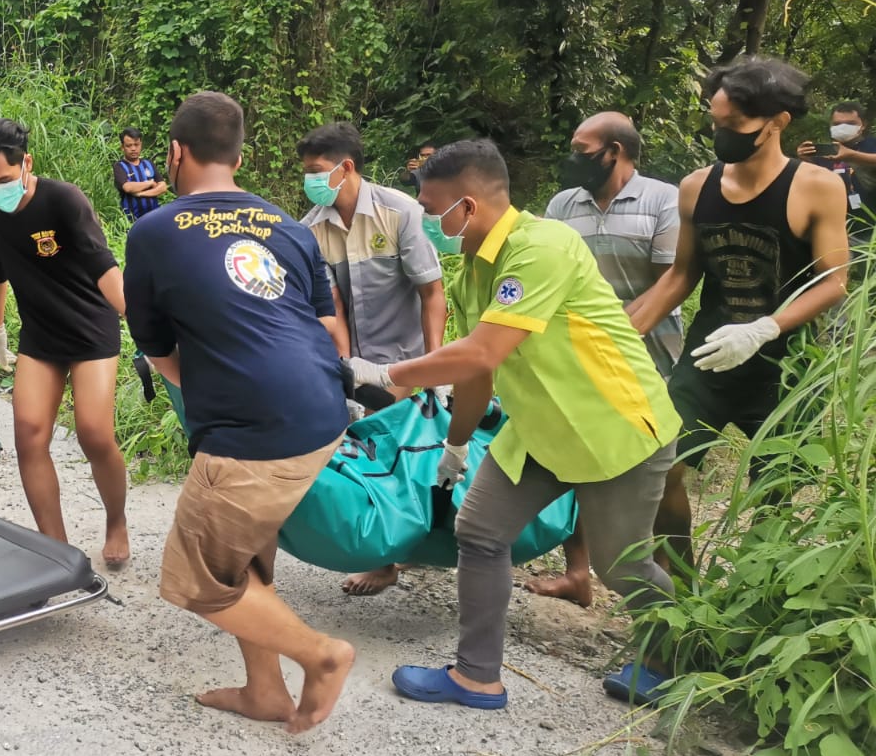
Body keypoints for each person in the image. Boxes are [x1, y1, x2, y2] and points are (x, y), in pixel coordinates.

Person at [349, 139, 682, 710]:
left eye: (430, 210)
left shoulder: (542, 247)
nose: (426, 222)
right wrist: (455, 447)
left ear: (467, 206)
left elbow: (482, 351)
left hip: (615, 427)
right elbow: (477, 372)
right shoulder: (472, 272)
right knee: (479, 531)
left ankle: (672, 662)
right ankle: (477, 676)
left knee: (621, 565)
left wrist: (384, 372)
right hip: (540, 432)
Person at [126, 91, 355, 733]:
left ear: (175, 153)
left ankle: (321, 655)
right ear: (240, 156)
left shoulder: (153, 232)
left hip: (253, 426)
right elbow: (328, 330)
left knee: (195, 581)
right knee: (242, 556)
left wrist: (217, 389)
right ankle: (265, 691)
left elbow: (157, 350)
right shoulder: (289, 226)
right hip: (321, 407)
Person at [629, 57, 849, 578]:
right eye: (716, 122)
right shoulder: (695, 187)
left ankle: (745, 600)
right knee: (661, 467)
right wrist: (622, 332)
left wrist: (765, 328)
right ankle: (682, 590)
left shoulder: (816, 187)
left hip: (787, 366)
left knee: (774, 491)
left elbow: (834, 281)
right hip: (708, 356)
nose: (721, 133)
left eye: (735, 124)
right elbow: (682, 275)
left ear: (777, 122)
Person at [528, 112, 682, 607]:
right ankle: (579, 573)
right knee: (578, 456)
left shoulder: (663, 200)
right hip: (579, 358)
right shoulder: (563, 205)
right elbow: (549, 271)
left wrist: (618, 333)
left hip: (649, 357)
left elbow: (671, 280)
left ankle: (678, 582)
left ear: (614, 151)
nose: (573, 158)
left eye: (582, 149)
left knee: (664, 473)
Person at [0, 118, 132, 567]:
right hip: (40, 334)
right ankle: (57, 551)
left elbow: (103, 266)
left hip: (91, 328)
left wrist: (137, 319)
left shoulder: (63, 200)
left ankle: (116, 521)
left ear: (26, 163)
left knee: (94, 433)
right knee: (29, 435)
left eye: (3, 180)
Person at [297, 121, 447, 595]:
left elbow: (432, 293)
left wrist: (435, 368)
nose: (310, 180)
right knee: (367, 456)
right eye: (306, 172)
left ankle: (421, 546)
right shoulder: (311, 228)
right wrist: (345, 372)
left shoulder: (399, 212)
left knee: (410, 454)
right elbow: (332, 305)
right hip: (357, 359)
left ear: (346, 168)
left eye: (316, 170)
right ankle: (384, 558)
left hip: (405, 358)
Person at [797, 100, 875, 245]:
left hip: (869, 230)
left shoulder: (871, 146)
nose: (843, 127)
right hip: (835, 230)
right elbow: (814, 185)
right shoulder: (824, 152)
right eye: (837, 124)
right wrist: (805, 161)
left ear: (863, 125)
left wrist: (852, 156)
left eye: (850, 123)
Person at [113, 127, 167, 222]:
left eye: (136, 145)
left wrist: (140, 194)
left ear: (141, 145)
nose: (133, 149)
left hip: (154, 218)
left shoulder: (148, 164)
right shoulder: (119, 166)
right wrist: (150, 183)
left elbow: (163, 187)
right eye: (129, 145)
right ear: (122, 147)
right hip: (131, 221)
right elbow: (128, 187)